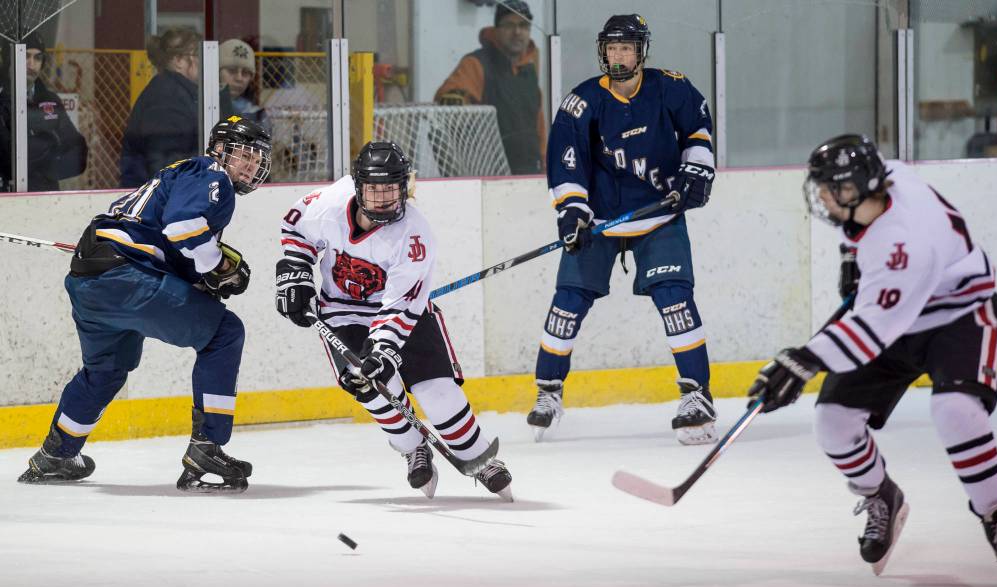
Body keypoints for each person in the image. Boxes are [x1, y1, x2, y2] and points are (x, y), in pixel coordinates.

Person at [747, 134, 997, 583]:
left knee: (955, 411)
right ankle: (881, 495)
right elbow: (869, 269)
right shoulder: (887, 179)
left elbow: (870, 333)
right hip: (898, 315)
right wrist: (851, 257)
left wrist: (801, 361)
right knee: (833, 422)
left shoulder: (903, 245)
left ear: (854, 189)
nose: (821, 197)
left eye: (829, 189)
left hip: (961, 315)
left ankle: (995, 517)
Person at [17, 116, 272, 493]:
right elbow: (182, 228)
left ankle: (56, 454)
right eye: (244, 155)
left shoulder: (174, 176)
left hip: (90, 280)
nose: (251, 165)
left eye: (257, 159)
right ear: (219, 149)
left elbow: (162, 240)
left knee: (106, 370)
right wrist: (217, 266)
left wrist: (199, 276)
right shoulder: (211, 173)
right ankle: (207, 448)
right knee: (224, 333)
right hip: (126, 279)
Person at [275, 140, 513, 501]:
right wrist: (295, 271)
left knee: (435, 390)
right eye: (374, 189)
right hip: (342, 309)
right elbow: (295, 229)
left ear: (404, 188)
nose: (383, 198)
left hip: (404, 311)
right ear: (358, 187)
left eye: (391, 189)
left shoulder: (414, 235)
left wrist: (383, 349)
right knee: (369, 385)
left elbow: (401, 305)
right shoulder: (328, 204)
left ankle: (478, 456)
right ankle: (413, 448)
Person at [526, 14, 718, 445]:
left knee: (675, 299)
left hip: (658, 214)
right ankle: (549, 390)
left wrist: (696, 170)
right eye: (611, 48)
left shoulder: (671, 88)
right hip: (599, 220)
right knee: (567, 303)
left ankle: (697, 394)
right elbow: (566, 162)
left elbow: (698, 130)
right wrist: (572, 211)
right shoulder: (582, 102)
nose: (618, 56)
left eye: (626, 48)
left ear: (641, 51)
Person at [434, 0, 545, 175]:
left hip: (531, 170)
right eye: (509, 25)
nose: (517, 32)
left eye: (523, 25)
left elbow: (539, 126)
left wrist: (546, 164)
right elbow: (449, 101)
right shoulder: (476, 64)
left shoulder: (529, 69)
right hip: (489, 173)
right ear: (496, 30)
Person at [0, 32, 87, 191]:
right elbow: (8, 159)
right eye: (25, 56)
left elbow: (78, 152)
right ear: (9, 58)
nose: (31, 64)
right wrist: (49, 147)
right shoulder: (2, 100)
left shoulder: (50, 100)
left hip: (45, 195)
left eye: (38, 58)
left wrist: (50, 171)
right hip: (7, 196)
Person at [120, 27, 203, 188]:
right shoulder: (168, 97)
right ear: (179, 60)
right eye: (198, 55)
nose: (204, 63)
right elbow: (164, 161)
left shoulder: (176, 92)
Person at [219, 38, 265, 124]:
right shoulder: (203, 108)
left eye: (245, 72)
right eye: (232, 70)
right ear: (216, 73)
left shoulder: (256, 115)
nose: (239, 78)